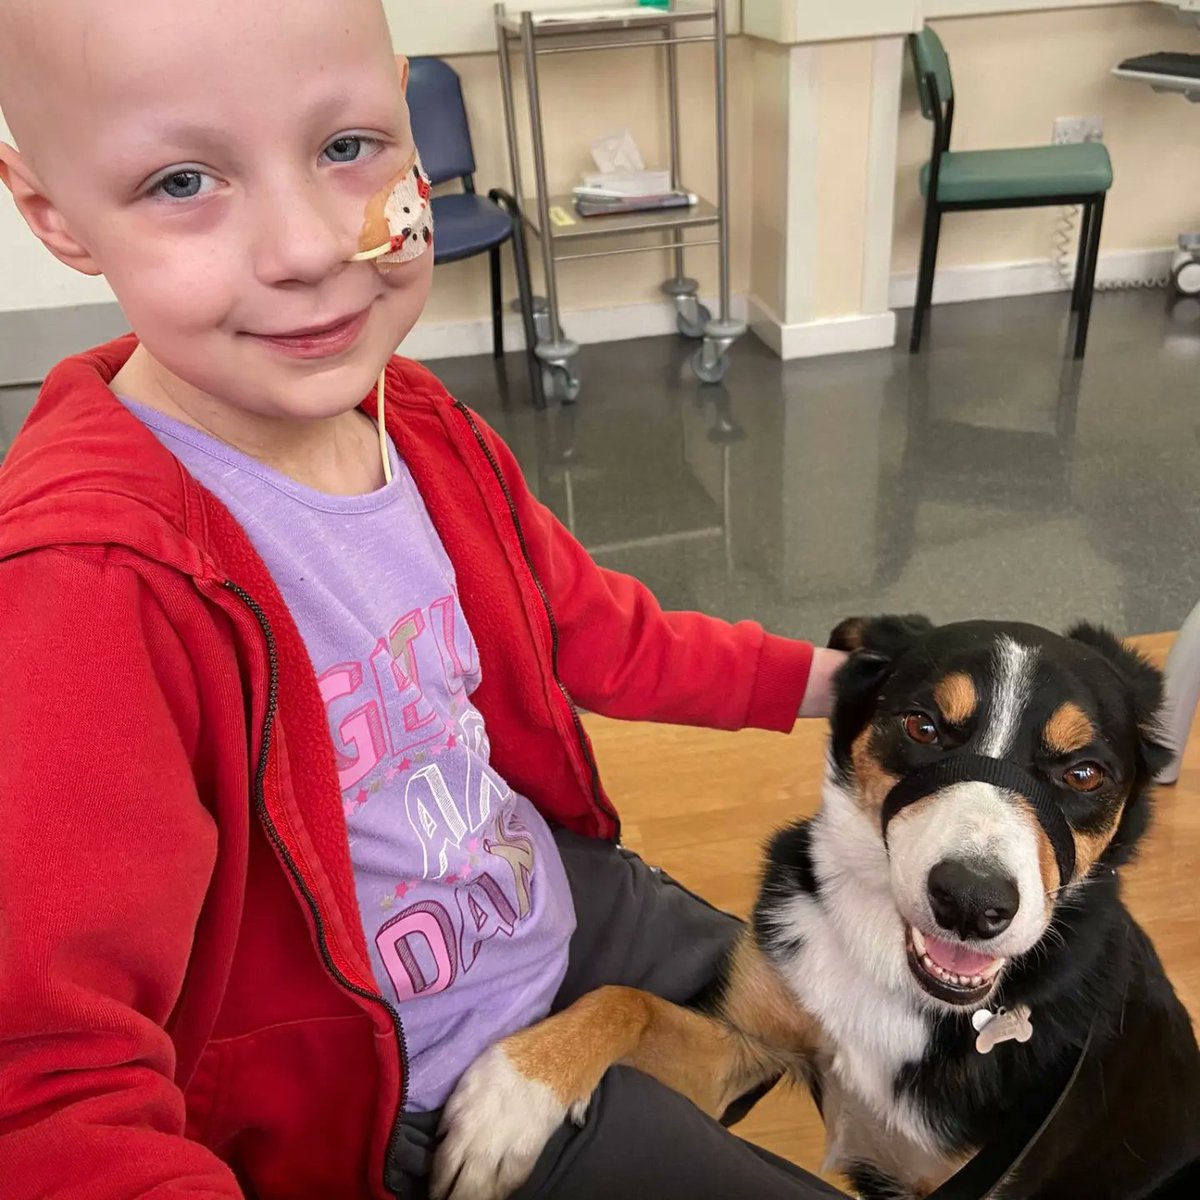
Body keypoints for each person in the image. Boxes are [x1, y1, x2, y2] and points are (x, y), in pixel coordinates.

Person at [0, 2, 849, 1197]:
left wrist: (832, 685)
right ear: (53, 216)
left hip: (536, 897)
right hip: (404, 1082)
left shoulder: (420, 422)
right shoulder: (84, 594)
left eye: (349, 147)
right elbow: (51, 1094)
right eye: (185, 178)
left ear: (406, 118)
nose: (307, 247)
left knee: (837, 1006)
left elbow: (591, 627)